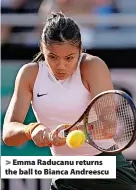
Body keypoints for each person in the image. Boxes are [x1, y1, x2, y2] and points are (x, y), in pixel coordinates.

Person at [2, 12, 136, 190]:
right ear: (42, 48)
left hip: (108, 169)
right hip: (64, 173)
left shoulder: (93, 66)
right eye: (53, 57)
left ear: (80, 49)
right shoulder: (29, 74)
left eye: (69, 57)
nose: (61, 66)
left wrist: (70, 132)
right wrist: (31, 129)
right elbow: (9, 134)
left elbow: (108, 127)